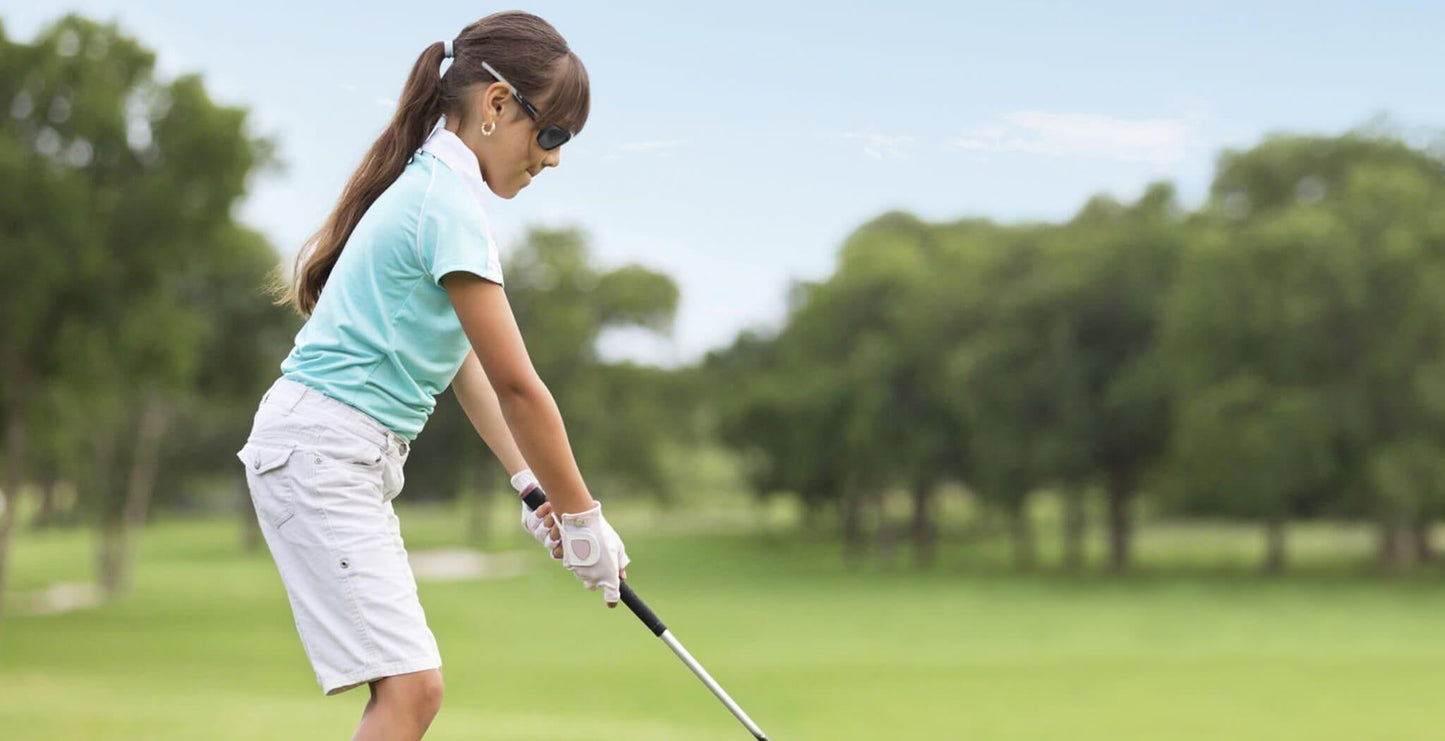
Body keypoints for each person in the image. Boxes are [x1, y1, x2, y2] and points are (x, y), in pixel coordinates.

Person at [234, 11, 628, 740]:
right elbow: (520, 387)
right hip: (322, 450)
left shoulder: (437, 191)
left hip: (330, 449)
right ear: (498, 104)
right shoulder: (445, 204)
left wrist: (531, 486)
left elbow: (465, 364)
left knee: (413, 688)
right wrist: (583, 519)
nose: (554, 159)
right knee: (412, 692)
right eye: (553, 135)